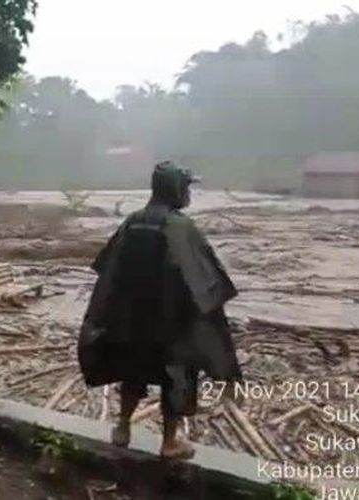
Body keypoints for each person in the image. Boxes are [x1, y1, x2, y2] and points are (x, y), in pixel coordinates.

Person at [78, 160, 242, 460]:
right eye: (187, 187)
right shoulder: (180, 227)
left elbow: (108, 268)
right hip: (170, 325)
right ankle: (169, 442)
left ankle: (123, 427)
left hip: (131, 322)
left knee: (132, 372)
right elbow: (204, 279)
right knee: (176, 377)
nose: (189, 194)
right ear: (175, 189)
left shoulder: (133, 222)